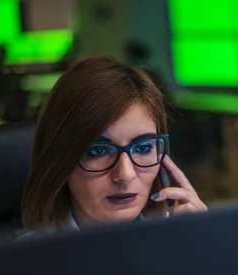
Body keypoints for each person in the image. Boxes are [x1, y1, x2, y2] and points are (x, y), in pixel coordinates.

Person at [21, 56, 207, 236]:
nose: (126, 175)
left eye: (143, 148)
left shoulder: (174, 235)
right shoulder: (26, 262)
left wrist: (202, 248)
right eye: (99, 151)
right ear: (59, 159)